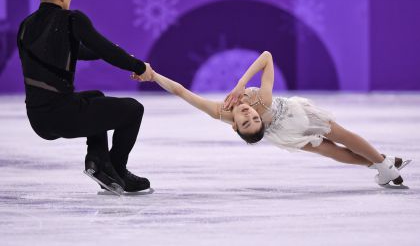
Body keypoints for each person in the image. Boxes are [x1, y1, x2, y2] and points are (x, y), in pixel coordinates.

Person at [133, 51, 409, 187]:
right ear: (235, 128)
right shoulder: (259, 101)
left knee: (338, 147)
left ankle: (382, 165)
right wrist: (244, 83)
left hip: (287, 130)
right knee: (339, 143)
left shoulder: (222, 112)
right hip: (292, 121)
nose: (247, 113)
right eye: (251, 120)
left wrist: (154, 76)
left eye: (248, 117)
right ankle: (382, 163)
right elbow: (266, 57)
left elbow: (182, 91)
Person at [17, 0, 151, 195]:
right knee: (134, 109)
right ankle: (117, 170)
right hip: (62, 114)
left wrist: (100, 52)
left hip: (37, 118)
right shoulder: (71, 19)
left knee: (95, 96)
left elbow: (69, 51)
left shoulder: (26, 25)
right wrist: (140, 67)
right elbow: (105, 49)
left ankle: (97, 161)